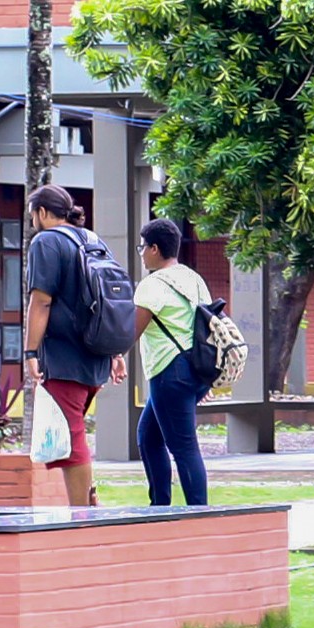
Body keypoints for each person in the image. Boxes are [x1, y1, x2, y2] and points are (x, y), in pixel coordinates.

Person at [17, 183, 111, 510]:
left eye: (32, 216)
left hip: (64, 354)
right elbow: (108, 299)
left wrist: (30, 352)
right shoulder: (93, 239)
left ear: (42, 213)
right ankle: (89, 498)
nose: (32, 223)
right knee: (72, 432)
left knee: (71, 439)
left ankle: (82, 513)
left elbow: (41, 301)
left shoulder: (47, 241)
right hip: (96, 353)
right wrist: (114, 352)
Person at [131, 215, 216, 510]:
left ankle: (198, 513)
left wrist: (107, 351)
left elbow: (132, 330)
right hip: (195, 370)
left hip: (169, 371)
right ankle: (160, 507)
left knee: (184, 447)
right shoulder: (193, 278)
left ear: (155, 248)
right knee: (148, 437)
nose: (141, 252)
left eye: (143, 246)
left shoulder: (151, 285)